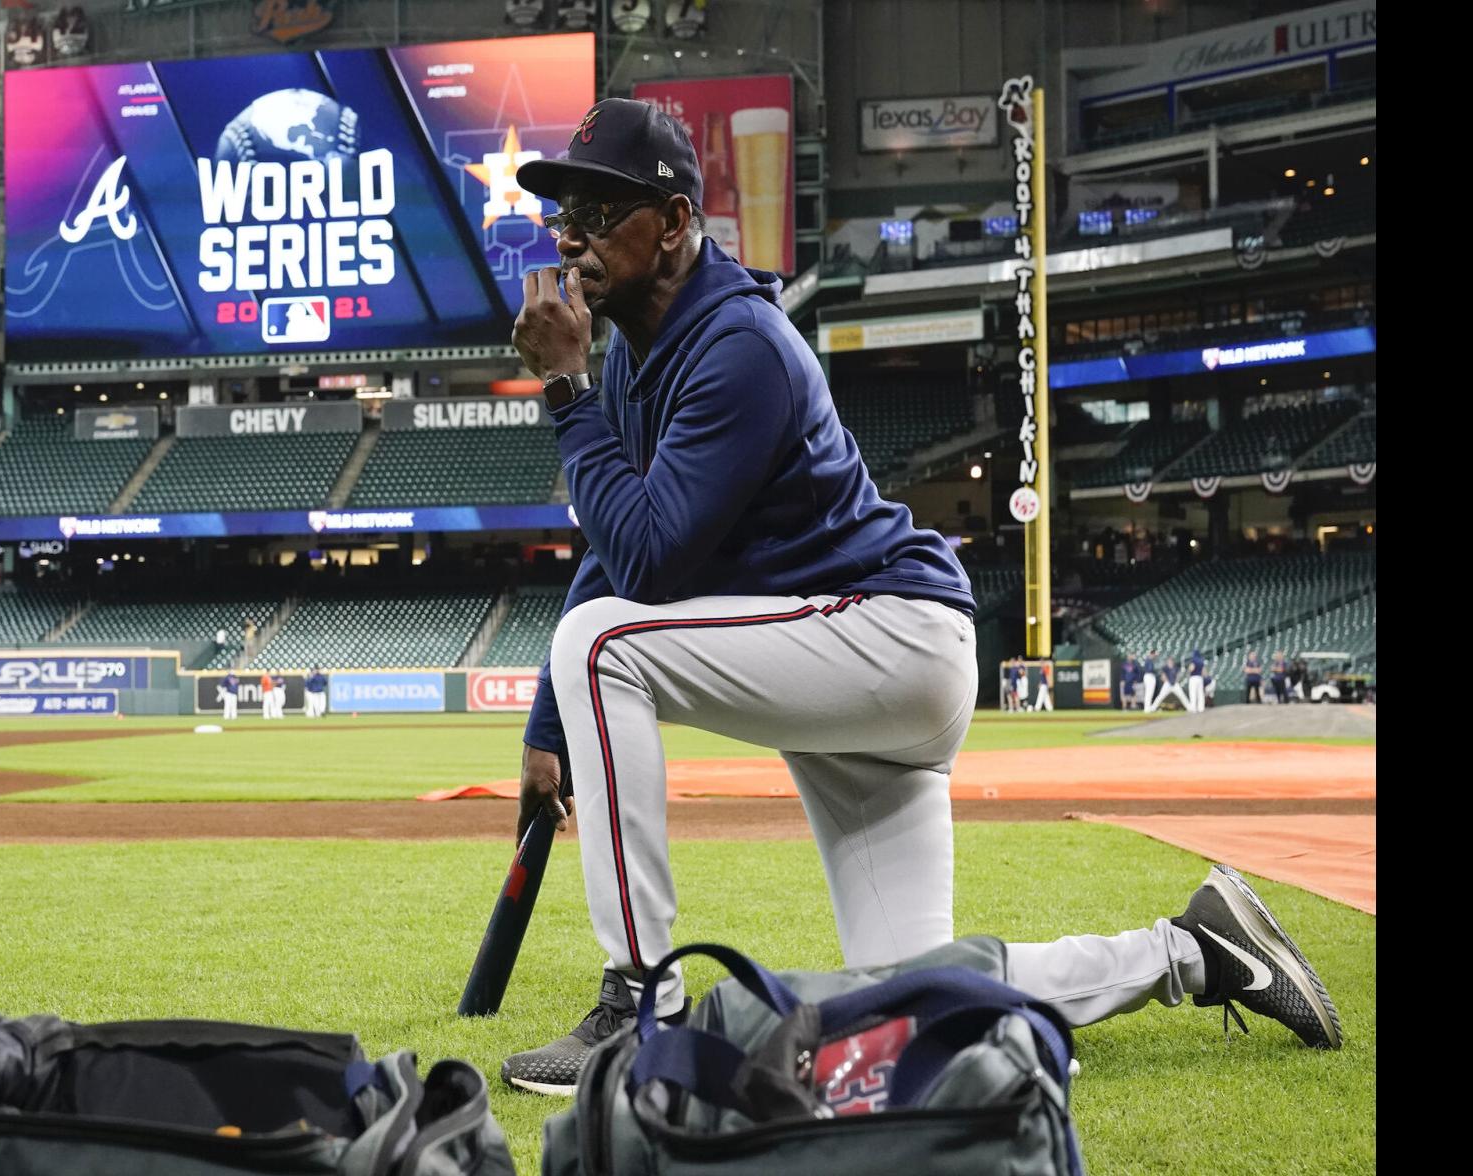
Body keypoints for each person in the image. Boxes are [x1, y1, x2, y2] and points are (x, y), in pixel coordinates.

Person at [494, 99, 1343, 1096]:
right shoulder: (642, 352)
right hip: (852, 660)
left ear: (674, 222)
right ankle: (1192, 950)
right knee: (904, 1005)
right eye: (563, 214)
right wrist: (548, 726)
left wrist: (562, 390)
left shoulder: (736, 345)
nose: (568, 237)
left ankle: (641, 1006)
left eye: (597, 210)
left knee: (603, 642)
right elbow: (613, 543)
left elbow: (640, 566)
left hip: (887, 636)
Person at [1187, 648, 1207, 714]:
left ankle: (1193, 708)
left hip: (1193, 678)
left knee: (1193, 693)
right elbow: (1204, 672)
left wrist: (1188, 672)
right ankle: (1201, 708)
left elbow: (1191, 668)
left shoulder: (1193, 660)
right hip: (1200, 678)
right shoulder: (1201, 661)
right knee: (1200, 693)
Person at [1141, 649, 1158, 714]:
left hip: (1149, 676)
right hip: (1149, 676)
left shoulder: (1149, 660)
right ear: (1152, 654)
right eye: (1154, 655)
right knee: (1149, 693)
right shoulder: (1149, 660)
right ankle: (1147, 709)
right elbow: (1150, 669)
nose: (1155, 656)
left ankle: (1148, 708)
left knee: (1149, 693)